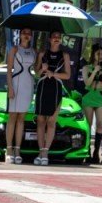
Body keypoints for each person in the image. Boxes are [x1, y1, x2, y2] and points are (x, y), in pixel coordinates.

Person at [33, 31, 71, 166]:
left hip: (56, 88)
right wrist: (42, 69)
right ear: (49, 39)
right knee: (41, 121)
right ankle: (40, 152)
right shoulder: (42, 54)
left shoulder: (65, 55)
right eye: (54, 37)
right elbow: (36, 75)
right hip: (43, 87)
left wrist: (53, 73)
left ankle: (45, 153)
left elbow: (67, 75)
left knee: (51, 122)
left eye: (58, 37)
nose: (56, 39)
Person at [5, 28, 36, 163]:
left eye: (29, 33)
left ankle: (18, 149)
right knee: (12, 117)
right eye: (24, 33)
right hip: (16, 83)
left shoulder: (34, 51)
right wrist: (10, 87)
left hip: (28, 84)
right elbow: (9, 70)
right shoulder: (14, 50)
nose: (26, 35)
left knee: (21, 118)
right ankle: (9, 149)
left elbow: (37, 69)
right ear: (20, 35)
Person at [81, 44, 102, 164]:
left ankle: (96, 152)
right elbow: (87, 83)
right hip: (89, 96)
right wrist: (95, 71)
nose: (100, 56)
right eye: (98, 54)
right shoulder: (86, 67)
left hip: (100, 98)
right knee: (88, 124)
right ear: (93, 54)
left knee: (100, 124)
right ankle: (87, 150)